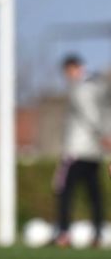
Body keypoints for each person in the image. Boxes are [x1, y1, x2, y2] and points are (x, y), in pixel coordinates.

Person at [53, 54, 109, 247]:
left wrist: (105, 135)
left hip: (77, 149)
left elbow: (91, 114)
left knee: (63, 190)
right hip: (93, 151)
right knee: (94, 193)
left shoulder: (81, 87)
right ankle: (98, 233)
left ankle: (63, 233)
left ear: (74, 68)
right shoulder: (98, 85)